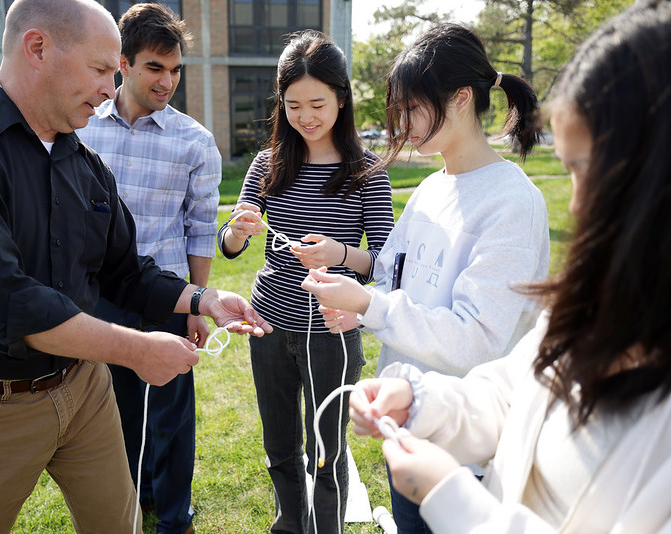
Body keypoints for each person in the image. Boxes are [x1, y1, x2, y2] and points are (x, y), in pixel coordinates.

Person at [0, 0, 271, 532]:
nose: (111, 89)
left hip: (84, 389)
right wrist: (136, 350)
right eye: (100, 70)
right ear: (38, 47)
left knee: (121, 523)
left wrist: (203, 299)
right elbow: (10, 299)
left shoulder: (83, 164)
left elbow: (126, 273)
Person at [345, 1, 671, 532]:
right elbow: (515, 388)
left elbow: (478, 338)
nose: (576, 207)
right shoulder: (602, 303)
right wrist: (421, 401)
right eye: (569, 172)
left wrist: (451, 496)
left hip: (461, 474)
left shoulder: (513, 203)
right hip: (429, 446)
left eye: (587, 172)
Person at [301, 22, 550, 534]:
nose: (404, 124)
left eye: (414, 108)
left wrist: (369, 308)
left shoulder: (511, 203)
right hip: (411, 428)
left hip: (471, 457)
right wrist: (349, 272)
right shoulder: (433, 187)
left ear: (461, 98)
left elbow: (477, 340)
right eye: (400, 110)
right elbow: (396, 271)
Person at [219, 30, 394, 534]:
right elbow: (231, 245)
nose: (306, 116)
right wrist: (238, 228)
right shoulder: (268, 162)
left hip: (331, 334)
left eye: (317, 103)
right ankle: (289, 526)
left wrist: (340, 253)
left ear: (342, 98)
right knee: (279, 446)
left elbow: (383, 262)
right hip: (269, 326)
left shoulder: (366, 170)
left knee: (326, 450)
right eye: (293, 104)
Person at [76, 4, 218, 533]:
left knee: (172, 417)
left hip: (170, 299)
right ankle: (135, 504)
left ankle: (174, 519)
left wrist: (199, 302)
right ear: (123, 63)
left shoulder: (195, 142)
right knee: (115, 415)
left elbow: (201, 228)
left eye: (176, 69)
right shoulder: (82, 129)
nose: (168, 81)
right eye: (155, 67)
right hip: (101, 300)